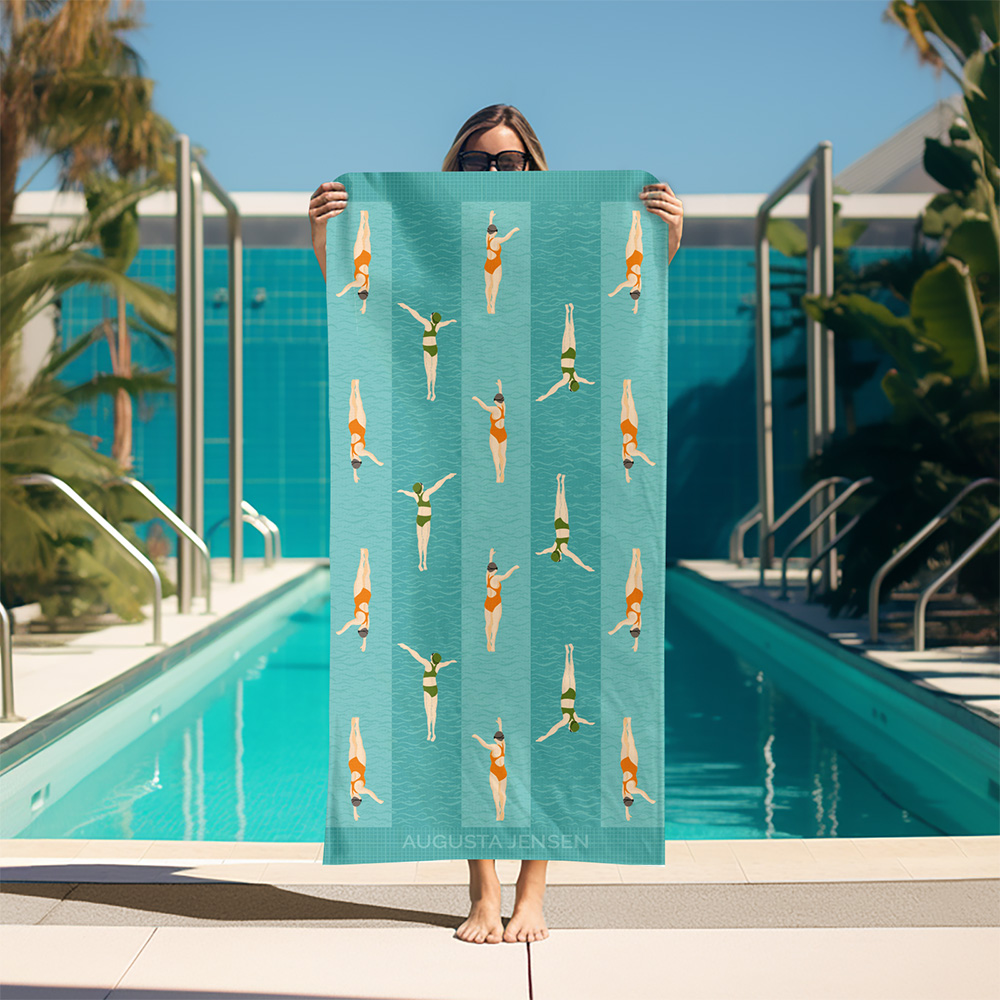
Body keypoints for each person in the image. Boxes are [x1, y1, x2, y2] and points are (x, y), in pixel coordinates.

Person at [308, 103, 684, 946]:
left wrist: (666, 241)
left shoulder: (568, 240)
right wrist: (327, 238)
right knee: (474, 693)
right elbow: (372, 312)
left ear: (535, 169)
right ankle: (482, 895)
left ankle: (536, 895)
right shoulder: (428, 244)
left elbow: (624, 309)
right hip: (462, 501)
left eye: (509, 163)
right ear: (455, 169)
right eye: (477, 163)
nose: (493, 176)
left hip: (562, 484)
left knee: (565, 669)